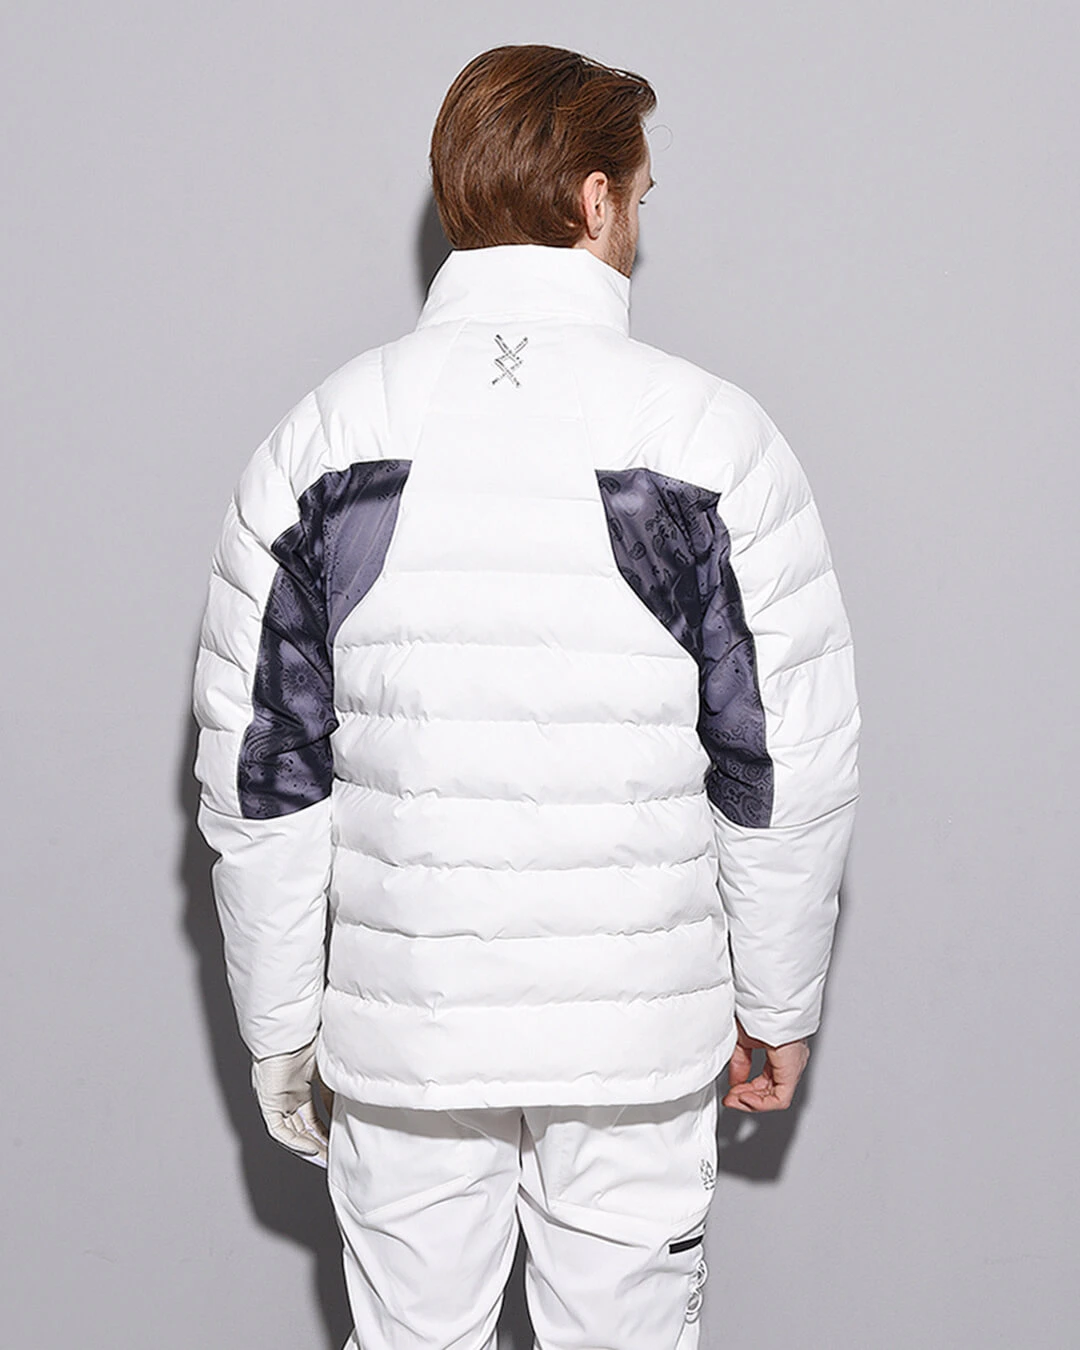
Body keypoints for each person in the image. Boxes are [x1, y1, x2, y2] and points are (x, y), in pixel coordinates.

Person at [192, 43, 860, 1349]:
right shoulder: (708, 439)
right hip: (634, 1041)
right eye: (643, 196)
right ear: (597, 199)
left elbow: (261, 776)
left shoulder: (323, 438)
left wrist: (279, 1024)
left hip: (408, 1040)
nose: (639, 225)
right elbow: (781, 761)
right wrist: (779, 999)